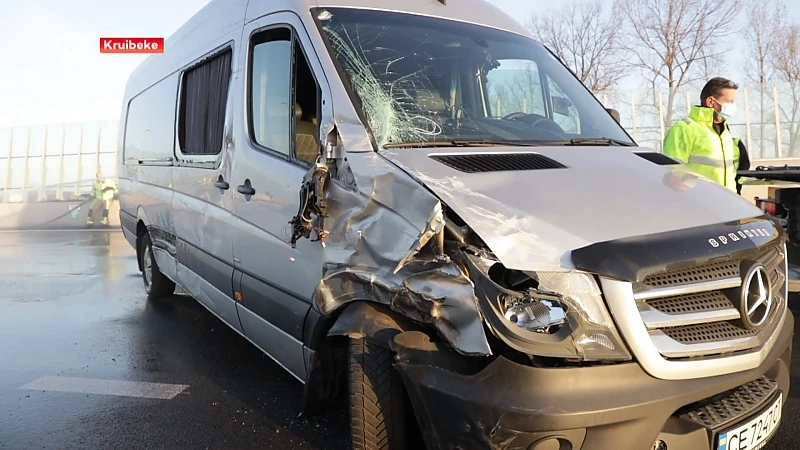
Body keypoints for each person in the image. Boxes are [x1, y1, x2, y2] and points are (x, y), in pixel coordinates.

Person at [663, 77, 749, 194]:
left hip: (727, 202)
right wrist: (698, 192)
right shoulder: (684, 128)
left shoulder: (724, 131)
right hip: (700, 204)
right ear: (710, 102)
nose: (734, 106)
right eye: (730, 101)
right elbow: (675, 172)